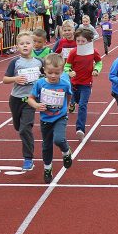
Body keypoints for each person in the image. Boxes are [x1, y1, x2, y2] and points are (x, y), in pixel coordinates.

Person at [28, 53, 73, 183]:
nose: (53, 76)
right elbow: (30, 99)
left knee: (59, 139)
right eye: (50, 72)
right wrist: (37, 105)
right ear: (44, 71)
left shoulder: (64, 84)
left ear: (62, 71)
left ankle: (66, 151)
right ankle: (47, 168)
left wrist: (66, 107)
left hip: (60, 117)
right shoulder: (40, 84)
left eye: (57, 73)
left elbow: (68, 96)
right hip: (45, 120)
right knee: (46, 146)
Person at [3, 31, 43, 171]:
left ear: (32, 45)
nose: (25, 46)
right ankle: (27, 152)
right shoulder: (15, 62)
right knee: (18, 127)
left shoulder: (39, 62)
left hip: (30, 100)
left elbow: (47, 76)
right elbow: (5, 79)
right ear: (17, 46)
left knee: (25, 129)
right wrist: (15, 79)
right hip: (15, 99)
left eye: (27, 43)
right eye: (22, 44)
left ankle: (28, 158)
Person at [65, 28, 102, 140]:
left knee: (82, 105)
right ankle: (72, 102)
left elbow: (99, 62)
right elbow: (67, 66)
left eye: (83, 41)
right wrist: (69, 72)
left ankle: (80, 129)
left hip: (86, 83)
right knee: (76, 101)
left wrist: (96, 70)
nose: (80, 43)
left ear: (89, 41)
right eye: (78, 41)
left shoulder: (93, 52)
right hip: (74, 83)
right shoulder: (73, 52)